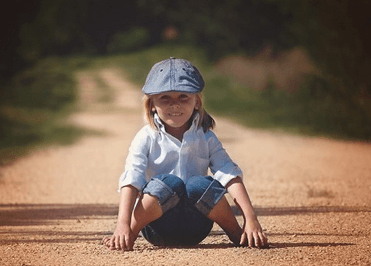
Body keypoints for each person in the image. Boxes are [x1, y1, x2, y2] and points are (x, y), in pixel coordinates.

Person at [103, 57, 267, 251]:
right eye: (165, 98)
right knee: (169, 183)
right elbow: (132, 179)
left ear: (197, 102)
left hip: (195, 227)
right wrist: (122, 224)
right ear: (151, 104)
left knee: (198, 184)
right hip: (157, 227)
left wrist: (251, 218)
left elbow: (229, 174)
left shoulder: (206, 137)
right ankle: (129, 235)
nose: (175, 105)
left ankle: (237, 233)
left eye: (183, 96)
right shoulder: (145, 137)